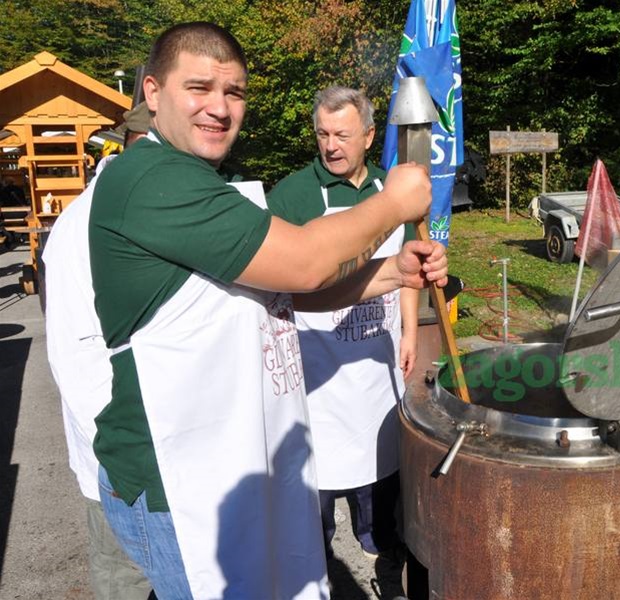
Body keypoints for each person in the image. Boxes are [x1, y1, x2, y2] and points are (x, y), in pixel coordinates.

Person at [88, 22, 445, 600]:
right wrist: (394, 203)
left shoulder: (208, 180)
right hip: (177, 476)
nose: (219, 107)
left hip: (233, 455)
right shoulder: (151, 179)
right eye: (199, 88)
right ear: (152, 92)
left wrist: (392, 273)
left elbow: (283, 294)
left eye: (234, 92)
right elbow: (305, 263)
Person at [268, 87, 415, 561]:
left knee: (381, 466)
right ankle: (320, 557)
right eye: (323, 134)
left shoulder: (393, 191)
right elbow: (273, 285)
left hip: (376, 362)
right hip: (317, 375)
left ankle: (378, 543)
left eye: (343, 135)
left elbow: (408, 266)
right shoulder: (291, 196)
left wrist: (410, 333)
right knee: (317, 483)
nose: (331, 146)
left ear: (369, 136)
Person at [44, 103, 154, 600]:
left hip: (159, 447)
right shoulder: (83, 224)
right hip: (120, 455)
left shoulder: (142, 206)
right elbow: (75, 357)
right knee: (126, 576)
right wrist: (122, 450)